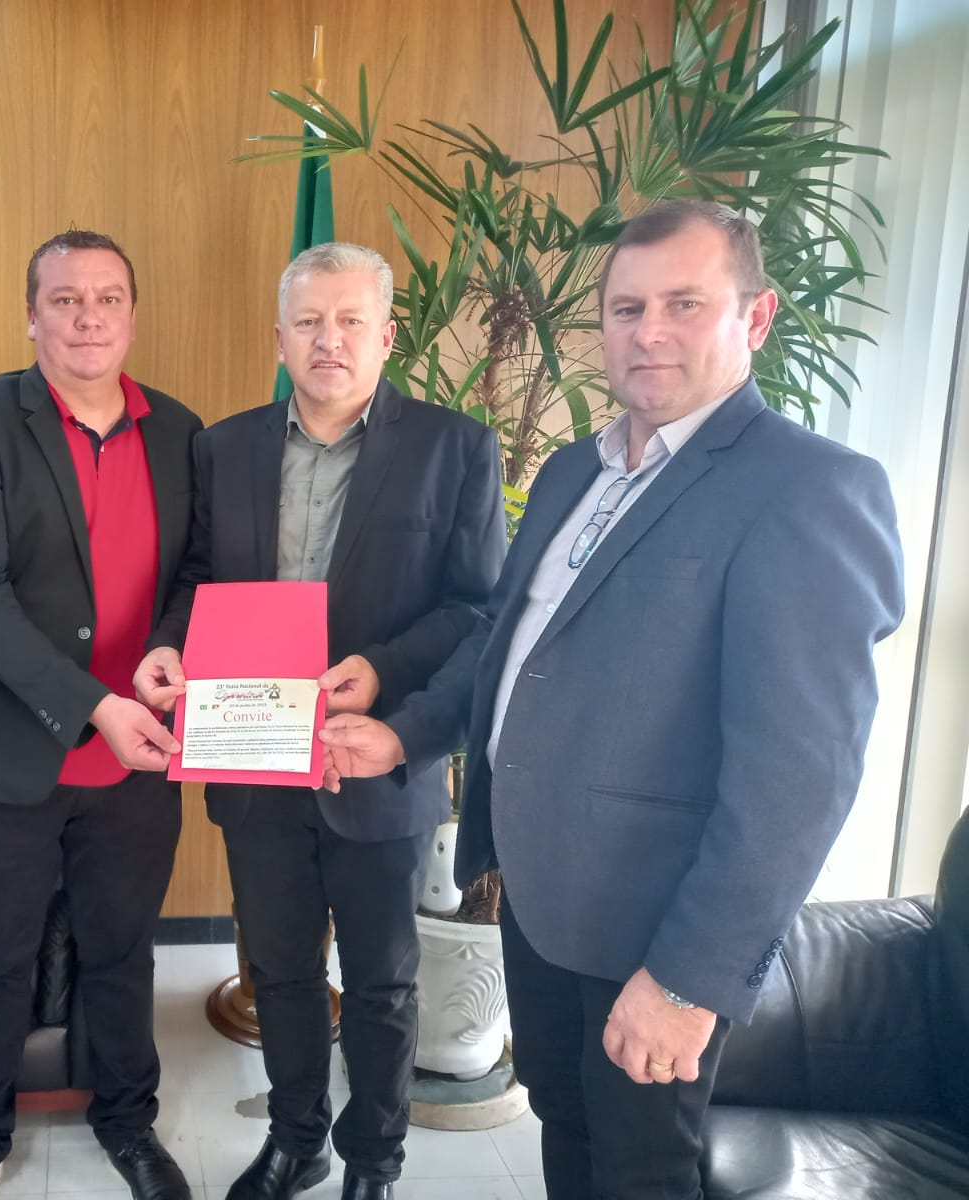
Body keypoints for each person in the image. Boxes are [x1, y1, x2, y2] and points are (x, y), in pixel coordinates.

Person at [319, 200, 907, 1199]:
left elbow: (799, 779)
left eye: (685, 304)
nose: (649, 332)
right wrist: (402, 737)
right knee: (567, 1128)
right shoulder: (569, 474)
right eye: (627, 308)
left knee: (641, 1172)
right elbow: (502, 646)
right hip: (541, 904)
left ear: (756, 317)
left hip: (654, 931)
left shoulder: (807, 488)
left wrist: (687, 982)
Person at [134, 242, 507, 1200]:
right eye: (308, 322)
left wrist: (383, 673)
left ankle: (375, 1164)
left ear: (387, 336)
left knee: (382, 985)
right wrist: (171, 645)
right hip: (254, 761)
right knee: (283, 972)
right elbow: (198, 577)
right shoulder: (224, 447)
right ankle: (297, 1142)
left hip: (376, 764)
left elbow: (477, 611)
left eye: (349, 321)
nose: (328, 340)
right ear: (280, 337)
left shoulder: (455, 448)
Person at [0, 230, 202, 1200]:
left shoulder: (178, 430)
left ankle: (128, 1124)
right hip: (5, 758)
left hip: (140, 757)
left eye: (108, 298)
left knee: (121, 956)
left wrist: (168, 646)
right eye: (66, 299)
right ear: (30, 317)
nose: (88, 317)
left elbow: (196, 570)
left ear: (133, 316)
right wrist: (93, 706)